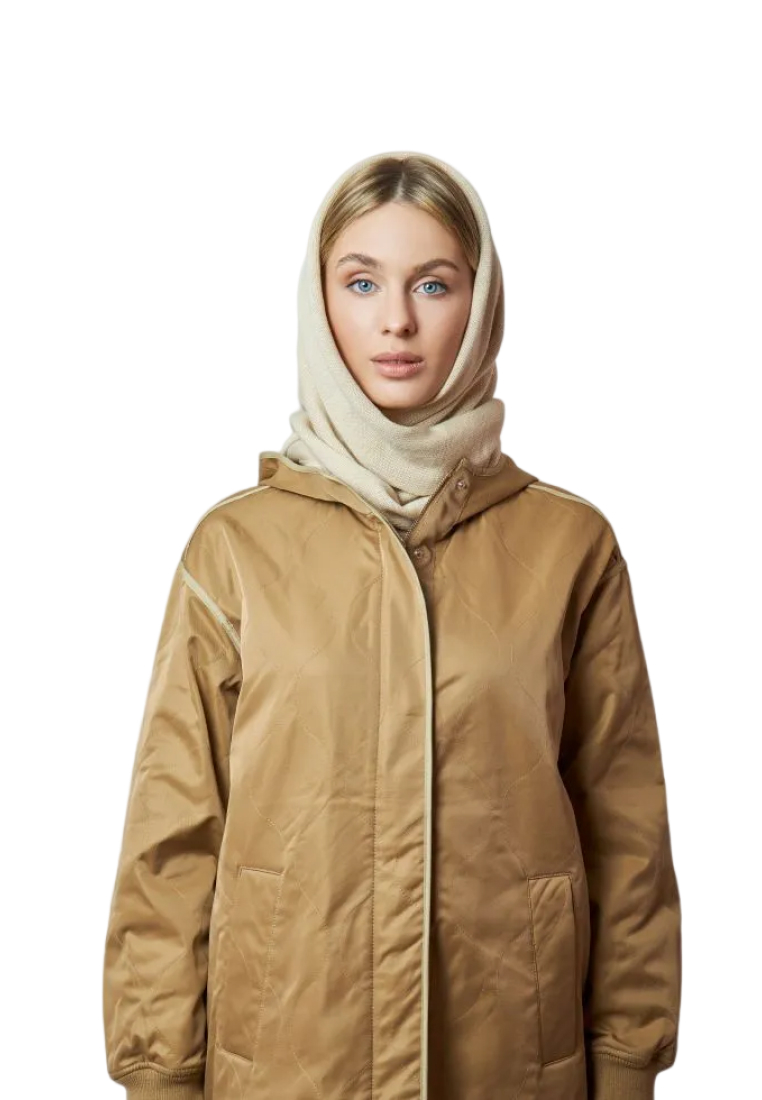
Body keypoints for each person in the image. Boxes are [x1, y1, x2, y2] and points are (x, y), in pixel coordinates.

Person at [102, 150, 682, 1100]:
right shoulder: (236, 547)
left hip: (509, 1060)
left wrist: (627, 1063)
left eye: (433, 284)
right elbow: (172, 834)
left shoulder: (569, 545)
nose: (397, 321)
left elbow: (627, 833)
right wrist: (159, 1073)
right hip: (288, 1059)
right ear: (320, 301)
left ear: (481, 303)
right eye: (362, 282)